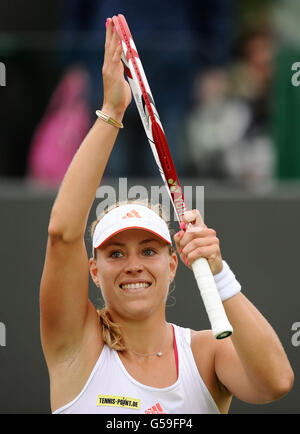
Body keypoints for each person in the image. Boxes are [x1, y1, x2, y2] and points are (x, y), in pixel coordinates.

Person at [40, 18, 294, 414]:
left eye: (148, 250)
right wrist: (111, 110)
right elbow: (62, 234)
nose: (133, 266)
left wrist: (219, 272)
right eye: (116, 253)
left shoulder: (208, 353)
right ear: (93, 270)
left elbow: (277, 382)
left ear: (174, 264)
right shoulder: (75, 345)